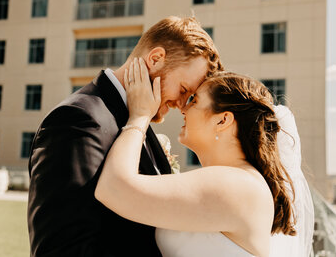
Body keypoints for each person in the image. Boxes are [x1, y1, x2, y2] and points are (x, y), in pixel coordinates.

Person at [27, 16, 223, 256]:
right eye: (183, 90)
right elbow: (64, 247)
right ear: (155, 59)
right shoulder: (77, 119)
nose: (182, 106)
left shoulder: (137, 122)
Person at [95, 63, 300, 257]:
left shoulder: (237, 184)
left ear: (223, 120)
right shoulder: (240, 181)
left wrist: (139, 116)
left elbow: (113, 189)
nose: (183, 108)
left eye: (194, 100)